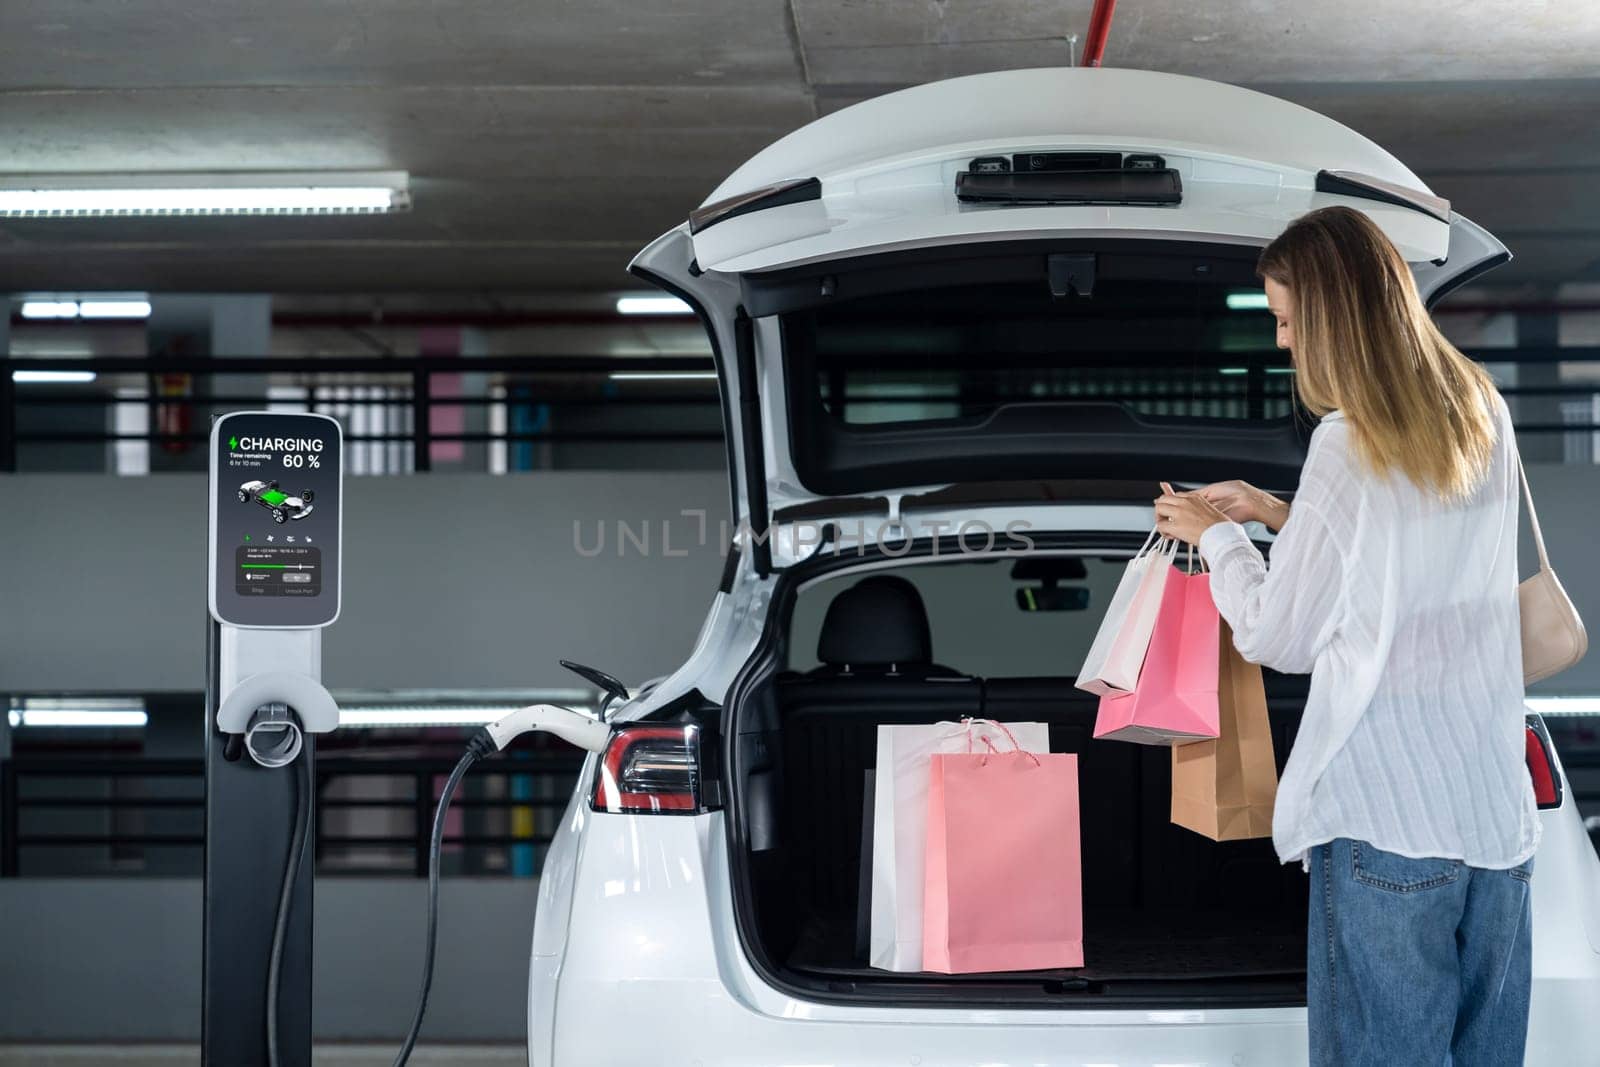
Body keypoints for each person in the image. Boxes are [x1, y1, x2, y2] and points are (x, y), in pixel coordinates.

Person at [1152, 205, 1539, 1066]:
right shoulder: (1481, 407)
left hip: (1385, 818)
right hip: (1494, 822)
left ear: (1332, 315)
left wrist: (1213, 536)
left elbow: (1274, 633)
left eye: (1287, 320)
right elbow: (1404, 556)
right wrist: (1277, 512)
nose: (1284, 343)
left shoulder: (1345, 442)